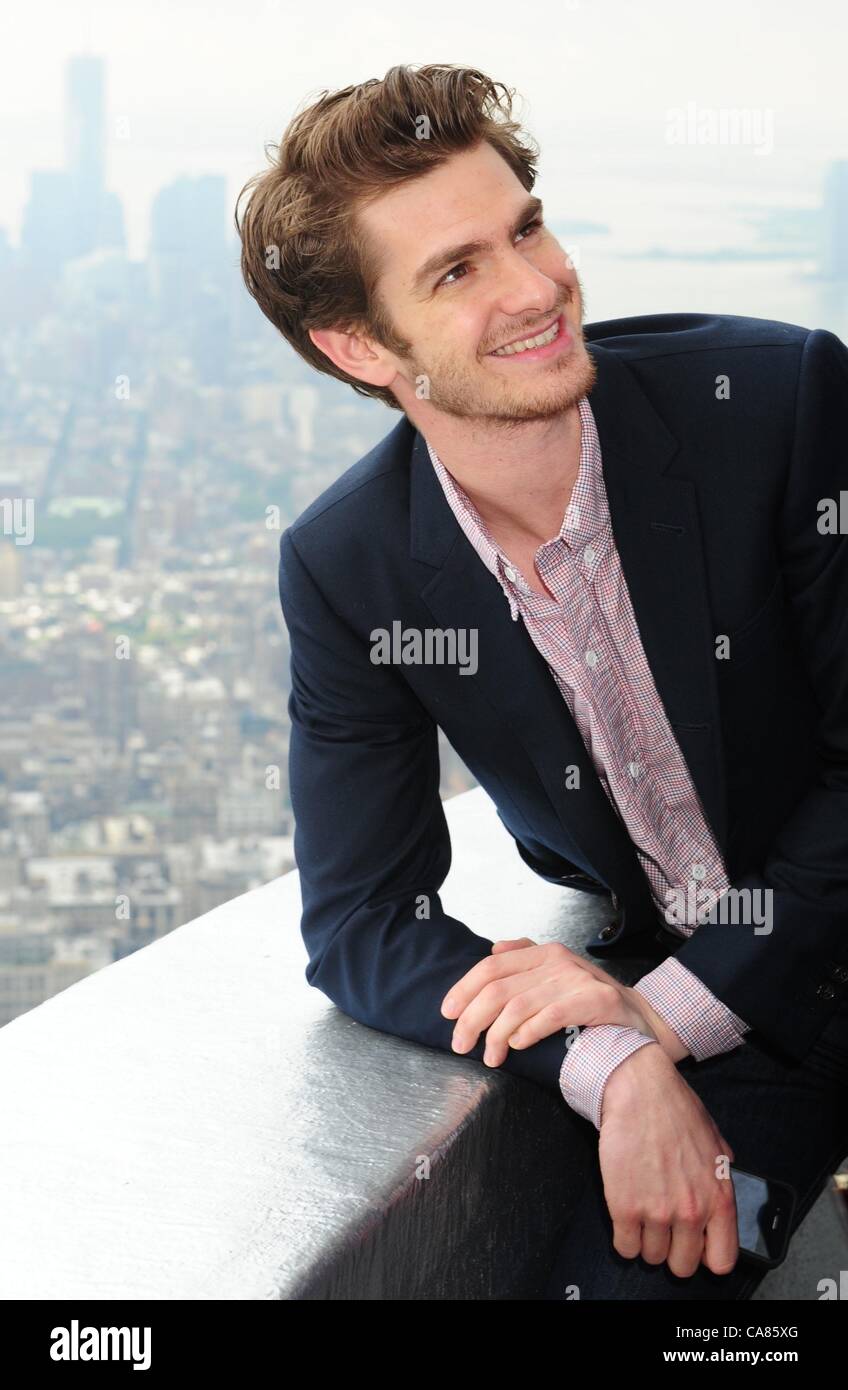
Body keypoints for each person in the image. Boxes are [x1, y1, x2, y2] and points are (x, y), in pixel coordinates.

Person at [236, 63, 848, 1298]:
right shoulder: (350, 567)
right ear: (358, 345)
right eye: (456, 271)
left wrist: (659, 1016)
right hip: (734, 1027)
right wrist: (608, 1062)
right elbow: (360, 920)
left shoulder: (775, 402)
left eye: (524, 229)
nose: (534, 287)